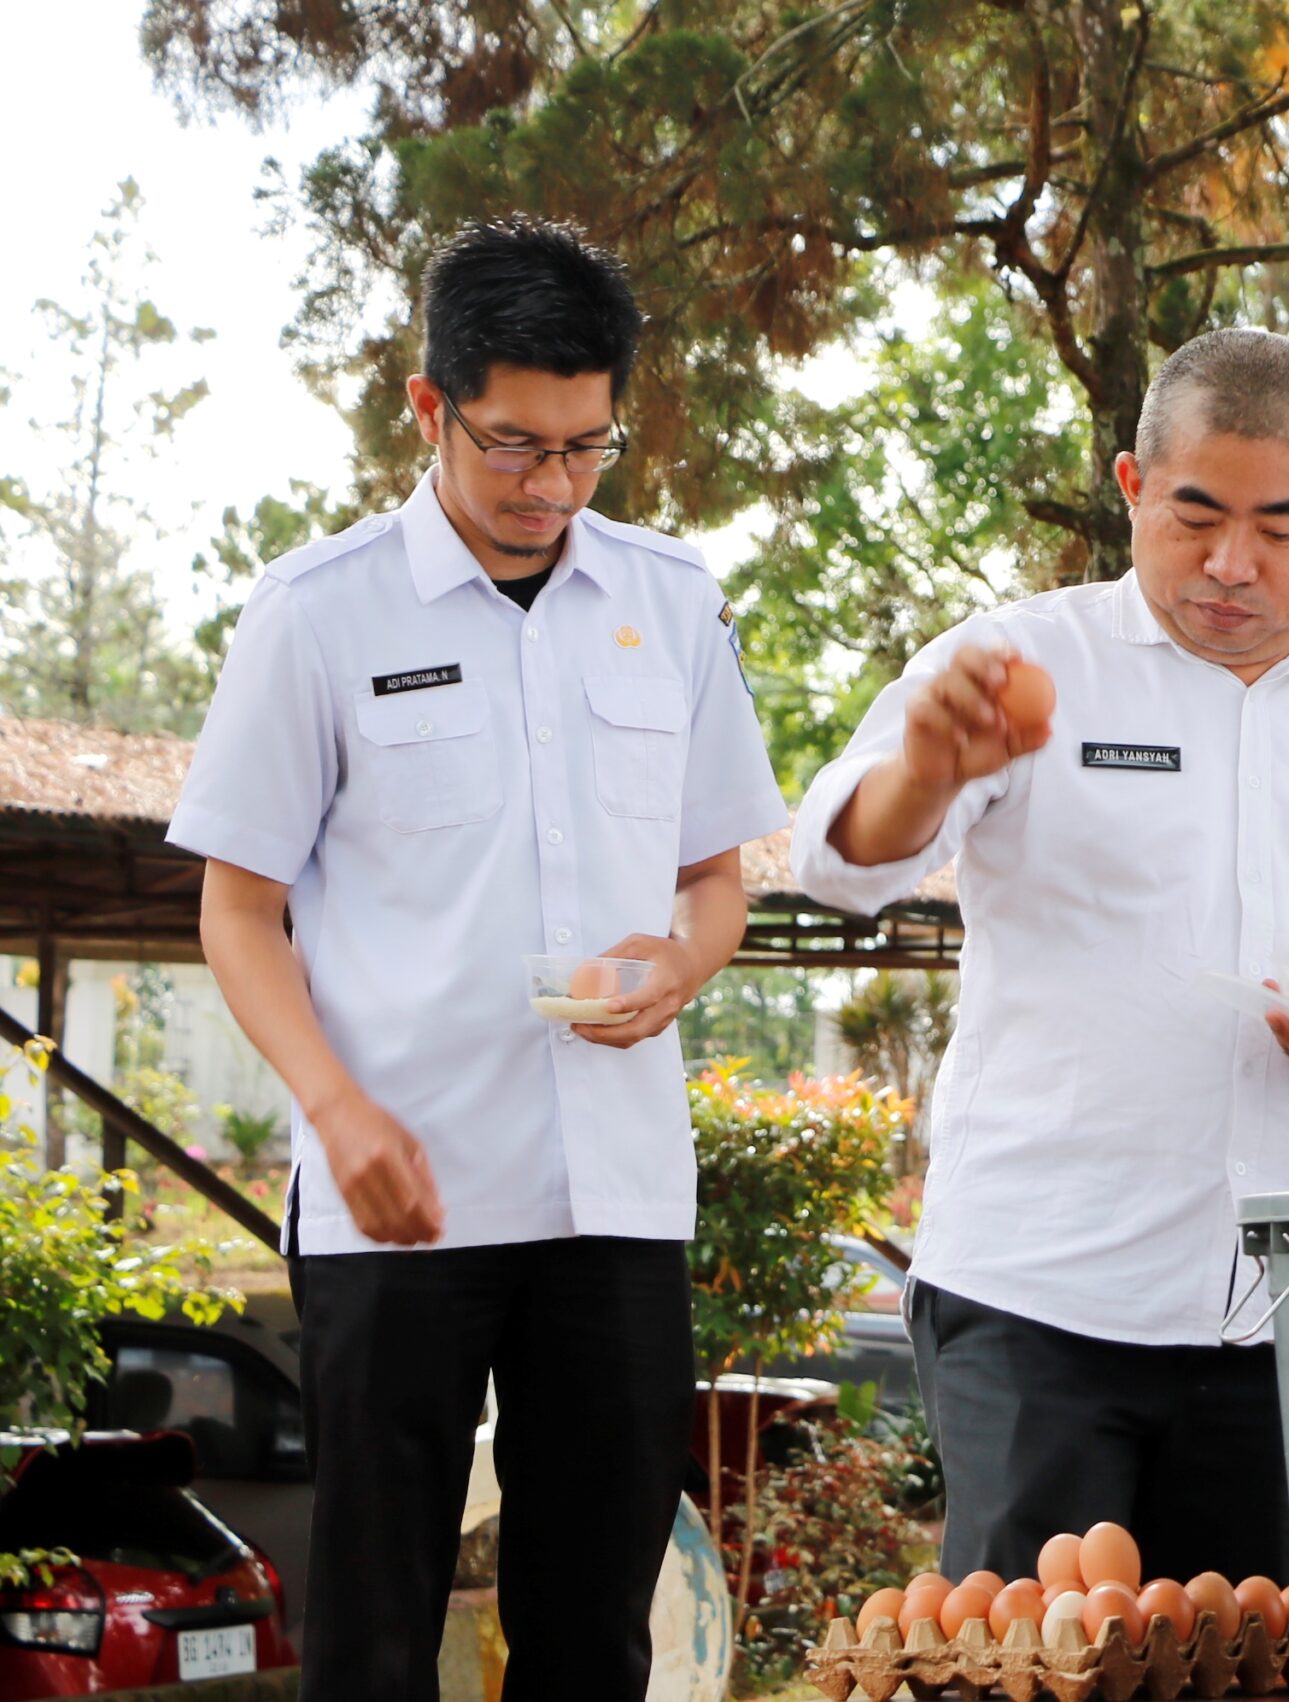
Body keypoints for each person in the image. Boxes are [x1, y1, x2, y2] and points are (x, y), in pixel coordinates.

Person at [174, 215, 787, 1700]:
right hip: (401, 1200)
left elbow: (720, 881)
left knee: (594, 1633)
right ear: (429, 404)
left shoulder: (672, 603)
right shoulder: (315, 614)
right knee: (377, 1633)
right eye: (516, 446)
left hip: (617, 1199)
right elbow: (235, 911)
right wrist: (336, 1108)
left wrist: (683, 963)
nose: (551, 489)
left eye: (587, 449)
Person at [791, 327, 1289, 1583]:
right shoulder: (1018, 659)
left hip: (1276, 1311)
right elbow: (842, 866)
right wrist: (928, 769)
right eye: (1193, 514)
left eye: (1279, 526)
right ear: (1131, 487)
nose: (1229, 563)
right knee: (1033, 1663)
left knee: (1240, 1663)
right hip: (1038, 1291)